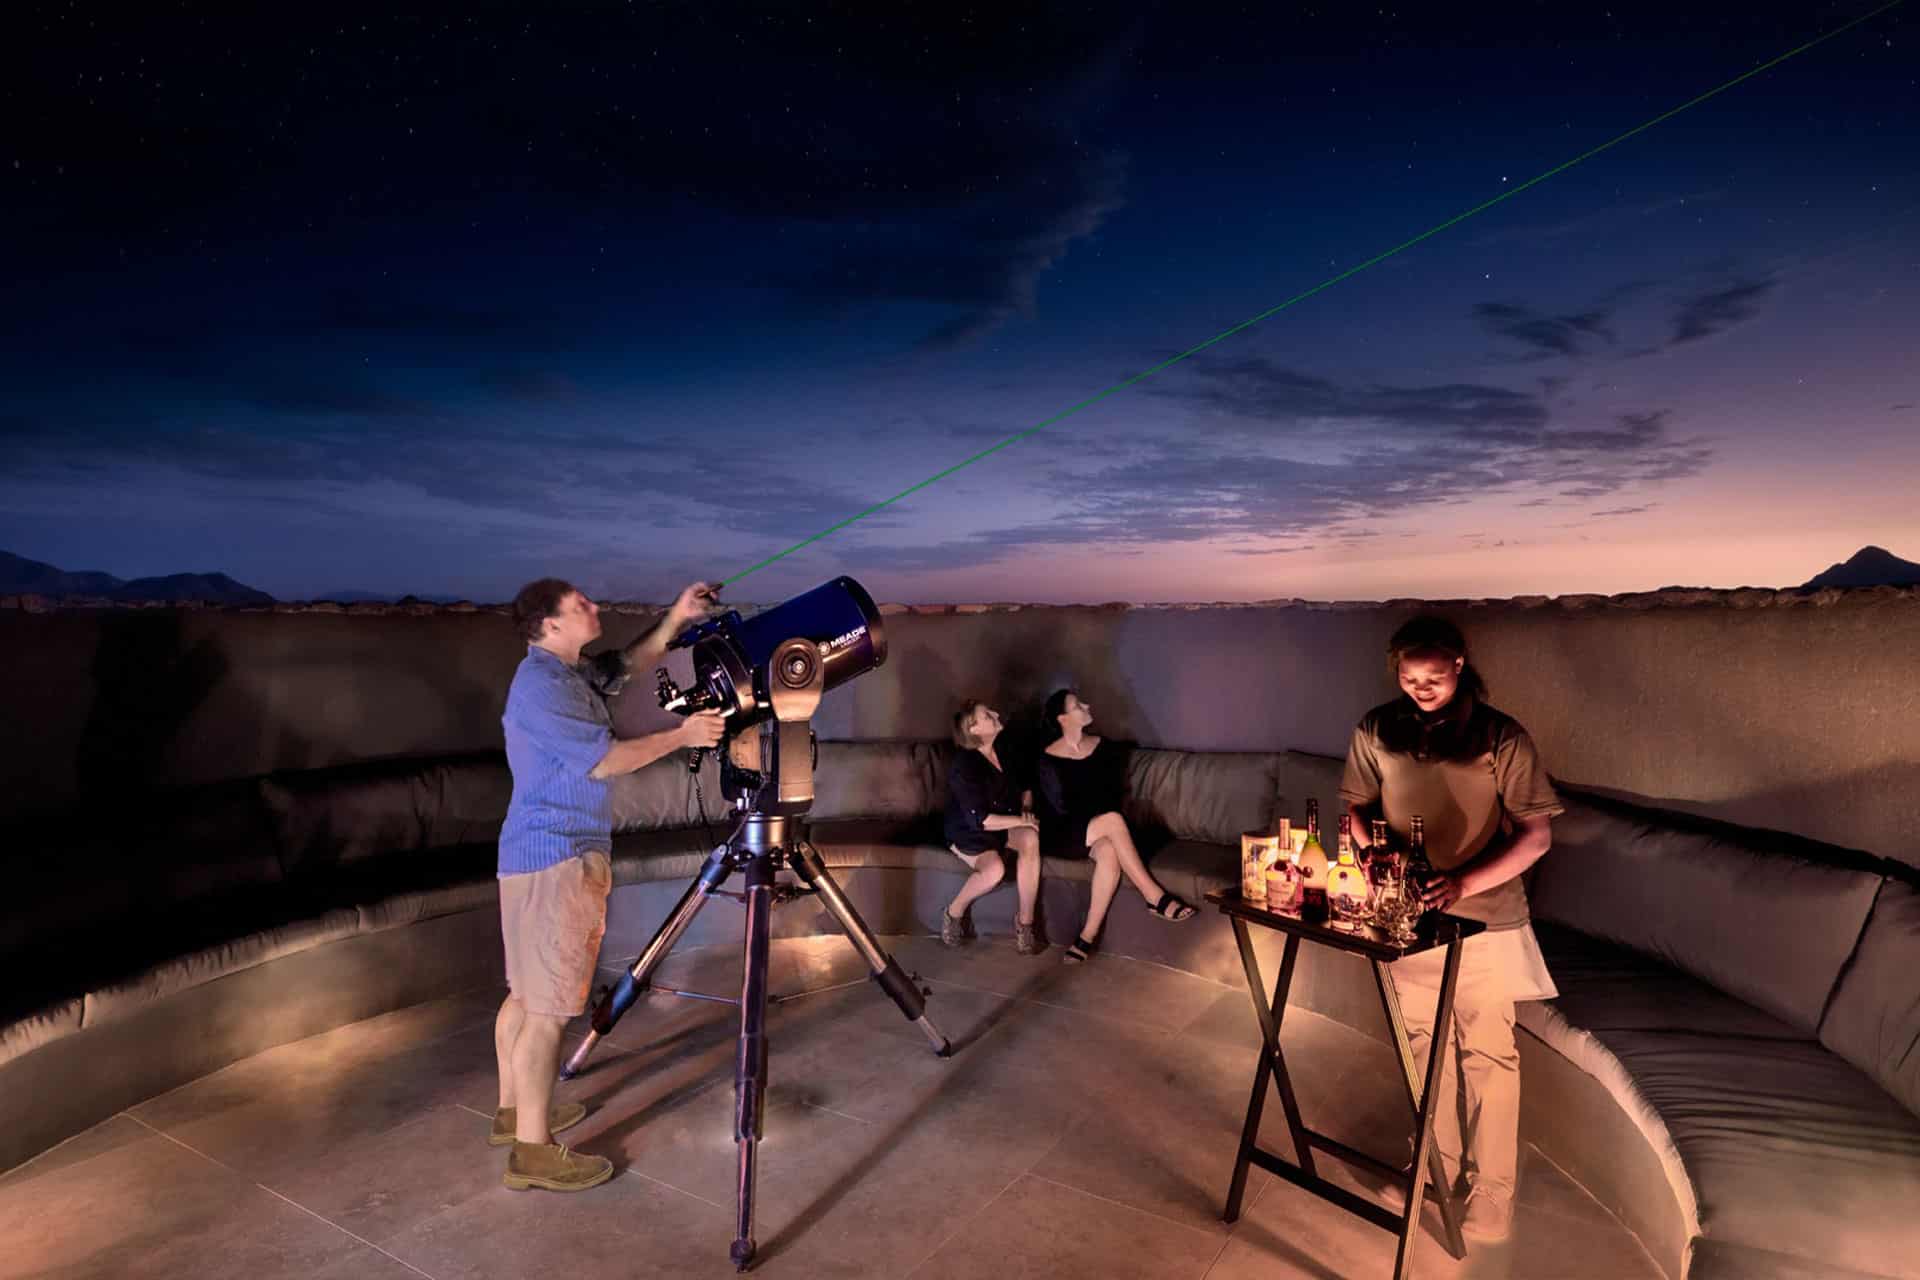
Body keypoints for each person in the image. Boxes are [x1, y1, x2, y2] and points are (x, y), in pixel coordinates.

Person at [492, 577, 726, 1193]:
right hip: (558, 858)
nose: (594, 608)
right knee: (546, 1012)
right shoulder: (544, 688)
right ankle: (531, 1154)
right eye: (580, 606)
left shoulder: (565, 674)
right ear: (548, 624)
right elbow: (604, 760)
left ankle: (515, 1113)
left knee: (523, 994)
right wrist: (683, 736)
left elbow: (627, 662)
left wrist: (676, 615)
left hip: (532, 855)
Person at [1340, 616, 1563, 1245]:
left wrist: (1463, 883)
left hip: (1484, 918)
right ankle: (1431, 1165)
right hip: (1407, 914)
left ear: (1460, 665)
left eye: (1433, 676)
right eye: (1410, 678)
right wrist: (1377, 860)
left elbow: (1536, 837)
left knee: (1486, 1051)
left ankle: (1492, 1190)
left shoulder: (1501, 736)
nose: (1421, 687)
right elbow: (1355, 808)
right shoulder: (1377, 728)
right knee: (1419, 1044)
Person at [1034, 688, 1195, 965]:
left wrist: (1099, 819)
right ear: (1063, 718)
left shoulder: (1103, 746)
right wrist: (1095, 819)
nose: (1086, 704)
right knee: (1112, 821)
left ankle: (1086, 937)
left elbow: (1111, 794)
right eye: (1077, 705)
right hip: (1063, 832)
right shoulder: (1048, 758)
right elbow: (1057, 810)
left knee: (1109, 850)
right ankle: (1154, 897)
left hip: (1101, 828)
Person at [943, 701, 1045, 955]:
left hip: (1004, 824)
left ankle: (1025, 923)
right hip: (971, 832)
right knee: (994, 869)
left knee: (1031, 838)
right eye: (988, 715)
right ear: (974, 729)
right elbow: (982, 820)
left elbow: (1026, 784)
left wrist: (1026, 808)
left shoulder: (1006, 748)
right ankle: (953, 912)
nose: (997, 714)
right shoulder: (964, 765)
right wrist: (1023, 821)